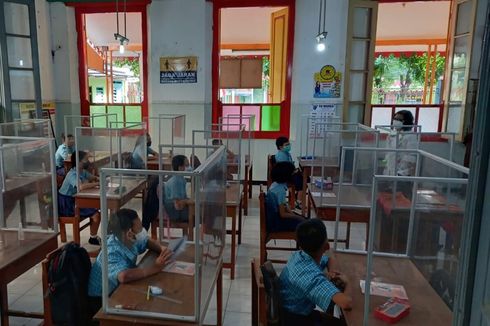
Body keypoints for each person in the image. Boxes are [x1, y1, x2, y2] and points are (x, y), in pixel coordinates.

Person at [87, 208, 173, 316]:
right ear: (129, 233)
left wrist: (161, 248)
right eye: (139, 229)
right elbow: (124, 276)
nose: (142, 232)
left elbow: (146, 241)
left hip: (118, 289)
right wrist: (155, 267)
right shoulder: (111, 251)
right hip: (102, 300)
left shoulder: (129, 239)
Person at [280, 219, 352, 325]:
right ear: (326, 246)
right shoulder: (311, 277)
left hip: (292, 313)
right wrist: (348, 282)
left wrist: (332, 271)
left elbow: (329, 257)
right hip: (296, 321)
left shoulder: (300, 255)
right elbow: (346, 303)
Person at [58, 151, 101, 245]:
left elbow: (93, 177)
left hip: (76, 200)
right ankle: (93, 238)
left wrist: (100, 178)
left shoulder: (82, 171)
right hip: (67, 204)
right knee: (96, 215)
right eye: (86, 159)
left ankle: (93, 237)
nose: (88, 162)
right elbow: (80, 186)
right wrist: (97, 183)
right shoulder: (72, 174)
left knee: (97, 211)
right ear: (79, 161)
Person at [384, 110, 418, 198]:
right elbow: (388, 154)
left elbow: (411, 158)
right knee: (390, 198)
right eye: (395, 118)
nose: (395, 120)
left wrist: (400, 172)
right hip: (390, 172)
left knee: (403, 198)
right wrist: (386, 169)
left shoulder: (411, 137)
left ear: (406, 122)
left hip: (403, 175)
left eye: (399, 119)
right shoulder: (392, 135)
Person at [266, 162, 306, 232]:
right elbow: (283, 214)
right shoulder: (281, 191)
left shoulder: (275, 185)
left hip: (273, 219)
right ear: (287, 176)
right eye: (293, 174)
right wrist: (297, 217)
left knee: (304, 220)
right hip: (277, 224)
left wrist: (293, 214)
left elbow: (284, 205)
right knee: (306, 224)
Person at [274, 136, 303, 208]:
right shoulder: (281, 155)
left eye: (289, 144)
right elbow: (285, 169)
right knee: (303, 180)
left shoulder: (286, 153)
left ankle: (297, 198)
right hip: (285, 176)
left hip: (289, 173)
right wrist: (294, 171)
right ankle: (298, 201)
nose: (289, 146)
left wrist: (295, 170)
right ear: (280, 147)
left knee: (303, 176)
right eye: (286, 145)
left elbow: (289, 165)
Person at [163, 155, 193, 222]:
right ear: (180, 167)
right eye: (187, 165)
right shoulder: (176, 181)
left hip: (177, 208)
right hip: (174, 212)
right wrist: (188, 201)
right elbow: (178, 206)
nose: (189, 167)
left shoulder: (180, 178)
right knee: (199, 214)